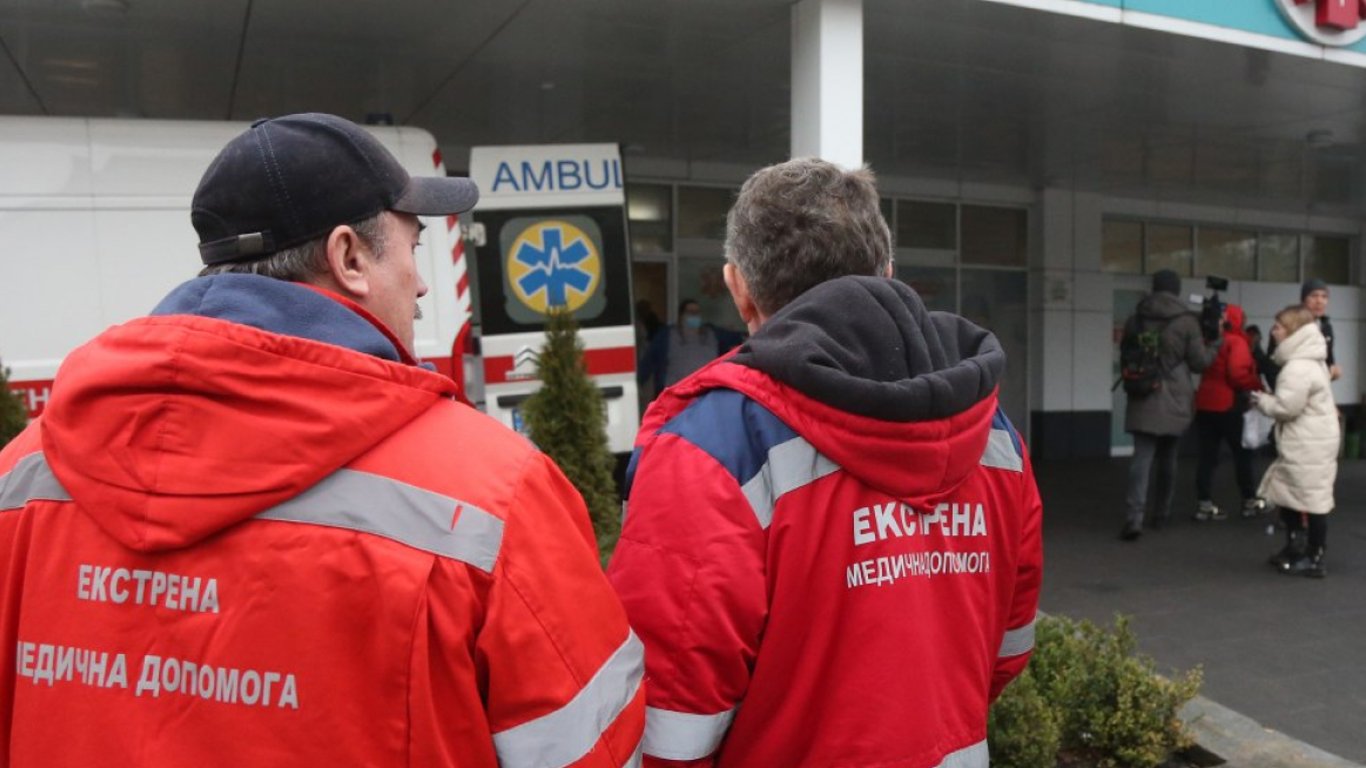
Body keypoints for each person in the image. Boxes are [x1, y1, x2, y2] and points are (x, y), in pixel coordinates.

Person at [0, 113, 644, 766]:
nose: (423, 282)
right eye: (413, 246)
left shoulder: (20, 475)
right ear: (349, 258)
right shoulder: (494, 496)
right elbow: (588, 748)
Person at [607, 158, 1043, 768]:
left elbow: (669, 721)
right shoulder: (995, 432)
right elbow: (1007, 650)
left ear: (739, 288)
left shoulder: (711, 447)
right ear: (887, 272)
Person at [1121, 269, 1218, 540]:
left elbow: (1126, 353)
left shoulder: (1136, 318)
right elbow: (1199, 362)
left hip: (1142, 392)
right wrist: (1215, 345)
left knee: (1141, 459)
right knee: (1168, 459)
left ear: (1154, 287)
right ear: (1176, 290)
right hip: (1175, 395)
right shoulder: (1187, 321)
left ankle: (1134, 518)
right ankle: (1161, 514)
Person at [1252, 305, 1340, 578]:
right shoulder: (1312, 360)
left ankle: (1313, 556)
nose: (1273, 331)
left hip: (1307, 441)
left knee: (1311, 499)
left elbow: (1286, 408)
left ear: (1292, 331)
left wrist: (1260, 400)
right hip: (1315, 438)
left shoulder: (1297, 367)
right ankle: (1297, 549)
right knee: (1293, 494)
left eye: (1279, 326)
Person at [1192, 303, 1263, 521]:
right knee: (1243, 455)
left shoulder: (1208, 340)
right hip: (1230, 405)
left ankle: (1204, 504)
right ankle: (1249, 502)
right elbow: (1237, 374)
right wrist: (1257, 386)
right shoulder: (1236, 341)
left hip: (1204, 404)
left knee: (1207, 457)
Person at [636, 298, 729, 394]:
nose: (694, 315)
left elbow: (735, 341)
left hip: (706, 392)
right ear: (681, 316)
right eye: (690, 312)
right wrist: (637, 384)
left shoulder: (712, 334)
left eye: (697, 312)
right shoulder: (667, 335)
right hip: (677, 392)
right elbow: (649, 360)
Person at [1267, 278, 1340, 383]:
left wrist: (1332, 372)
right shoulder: (1286, 324)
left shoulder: (1326, 327)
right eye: (1314, 296)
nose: (1319, 301)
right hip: (1289, 385)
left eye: (1324, 296)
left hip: (1316, 387)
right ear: (1303, 300)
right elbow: (1272, 363)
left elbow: (1328, 361)